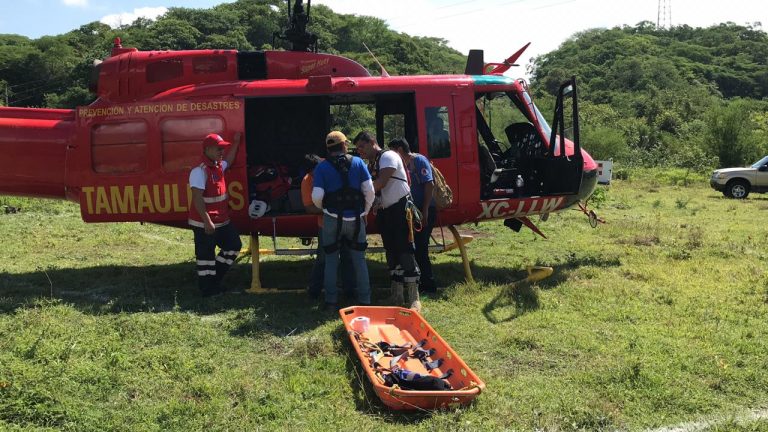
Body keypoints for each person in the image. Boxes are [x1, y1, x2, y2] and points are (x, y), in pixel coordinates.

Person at [353, 131, 422, 311]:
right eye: (357, 148)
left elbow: (380, 183)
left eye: (362, 146)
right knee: (391, 252)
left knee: (405, 250)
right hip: (386, 212)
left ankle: (414, 298)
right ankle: (397, 295)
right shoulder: (373, 163)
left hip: (400, 210)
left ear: (372, 142)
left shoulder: (388, 156)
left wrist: (357, 192)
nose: (359, 151)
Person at [312, 131, 374, 310]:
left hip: (331, 220)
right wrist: (365, 212)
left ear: (328, 147)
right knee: (359, 259)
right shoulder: (358, 163)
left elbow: (317, 196)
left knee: (331, 260)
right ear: (344, 145)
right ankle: (365, 300)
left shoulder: (321, 168)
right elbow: (369, 191)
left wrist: (324, 208)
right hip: (356, 219)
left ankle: (331, 301)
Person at [188, 133, 242, 297]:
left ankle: (214, 281)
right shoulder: (199, 172)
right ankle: (207, 290)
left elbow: (230, 161)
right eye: (219, 149)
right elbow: (197, 199)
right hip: (205, 223)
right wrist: (207, 221)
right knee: (205, 257)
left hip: (222, 221)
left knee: (233, 245)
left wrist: (237, 143)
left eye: (223, 148)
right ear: (208, 150)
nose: (222, 151)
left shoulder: (218, 166)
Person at [300, 154, 356, 300]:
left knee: (347, 256)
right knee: (323, 259)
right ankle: (315, 290)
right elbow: (309, 208)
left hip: (346, 220)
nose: (316, 175)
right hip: (325, 225)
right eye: (313, 173)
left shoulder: (335, 167)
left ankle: (349, 291)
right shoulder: (307, 181)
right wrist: (331, 208)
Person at [388, 138, 438, 293]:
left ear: (400, 150)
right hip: (411, 211)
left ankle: (428, 284)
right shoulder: (402, 164)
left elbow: (429, 184)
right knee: (413, 246)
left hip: (422, 210)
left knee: (421, 248)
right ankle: (416, 281)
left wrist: (425, 211)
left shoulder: (419, 161)